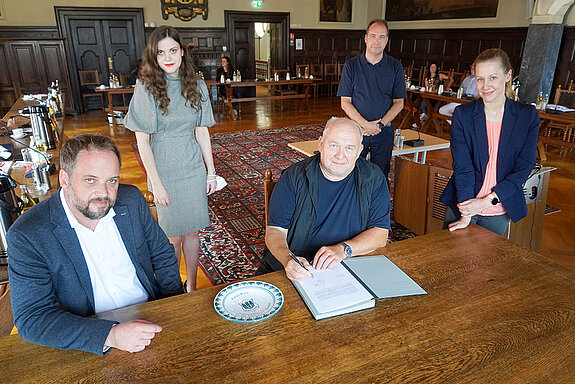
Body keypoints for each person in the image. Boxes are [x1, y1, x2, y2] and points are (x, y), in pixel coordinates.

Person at [7, 134, 183, 355]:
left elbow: (162, 254)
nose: (104, 193)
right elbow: (32, 318)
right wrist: (111, 335)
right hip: (90, 337)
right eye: (90, 180)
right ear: (64, 178)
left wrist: (172, 306)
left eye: (112, 180)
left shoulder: (131, 199)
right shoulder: (27, 234)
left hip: (152, 319)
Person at [125, 26, 217, 293]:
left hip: (192, 166)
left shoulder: (196, 84)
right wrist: (156, 183)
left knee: (192, 232)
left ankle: (190, 287)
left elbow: (202, 132)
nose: (168, 57)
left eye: (173, 50)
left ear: (182, 52)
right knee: (172, 236)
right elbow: (143, 141)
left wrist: (210, 171)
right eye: (161, 52)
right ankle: (172, 289)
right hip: (164, 168)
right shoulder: (146, 88)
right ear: (153, 56)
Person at [257, 117, 391, 281]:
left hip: (347, 264)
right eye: (334, 145)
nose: (340, 155)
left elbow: (380, 234)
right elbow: (275, 231)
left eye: (349, 148)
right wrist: (287, 259)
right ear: (320, 144)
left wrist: (343, 250)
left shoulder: (373, 178)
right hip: (297, 268)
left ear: (359, 150)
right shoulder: (293, 178)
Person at [440, 48, 539, 236]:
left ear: (508, 75)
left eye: (493, 78)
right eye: (480, 79)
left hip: (499, 207)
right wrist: (467, 212)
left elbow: (524, 167)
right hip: (463, 203)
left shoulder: (527, 116)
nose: (486, 86)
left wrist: (488, 201)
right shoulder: (463, 115)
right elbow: (463, 166)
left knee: (488, 263)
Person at [337, 18, 406, 181]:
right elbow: (345, 102)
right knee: (351, 173)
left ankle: (377, 206)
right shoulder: (351, 66)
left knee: (380, 175)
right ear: (366, 38)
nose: (377, 41)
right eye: (373, 36)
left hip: (384, 131)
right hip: (356, 130)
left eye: (382, 37)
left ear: (387, 40)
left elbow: (399, 103)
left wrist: (379, 125)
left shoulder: (395, 66)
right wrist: (365, 125)